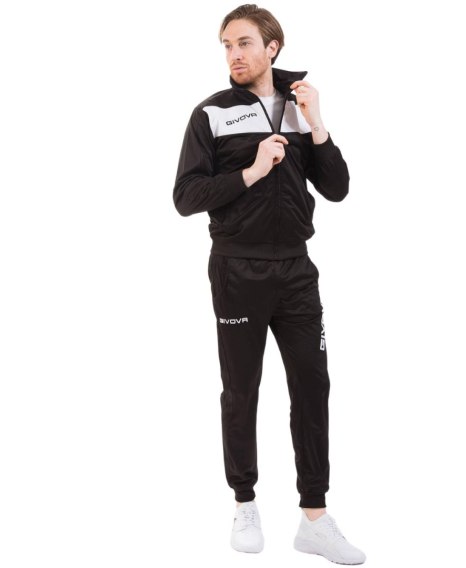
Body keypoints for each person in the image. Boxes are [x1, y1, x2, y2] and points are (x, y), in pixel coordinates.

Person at [172, 4, 366, 564]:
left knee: (312, 385)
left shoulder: (300, 107)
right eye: (226, 45)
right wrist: (251, 172)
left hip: (297, 271)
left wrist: (319, 124)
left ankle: (315, 517)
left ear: (272, 47)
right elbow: (185, 197)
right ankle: (244, 503)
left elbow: (337, 189)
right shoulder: (211, 114)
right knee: (242, 389)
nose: (233, 54)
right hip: (237, 269)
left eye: (243, 43)